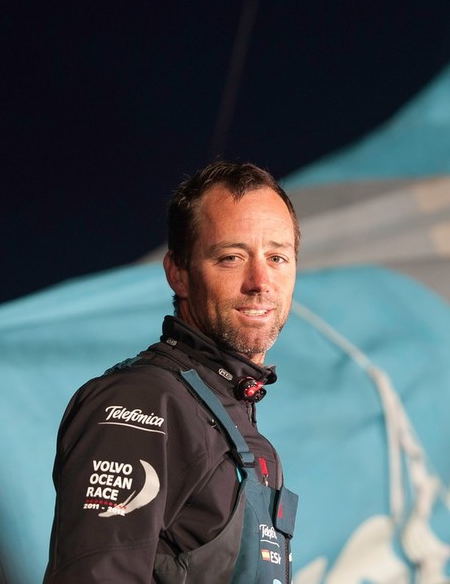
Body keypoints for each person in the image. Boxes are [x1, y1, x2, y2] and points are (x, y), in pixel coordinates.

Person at [43, 160, 300, 583]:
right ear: (178, 274)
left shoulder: (235, 420)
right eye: (231, 257)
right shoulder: (141, 402)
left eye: (277, 257)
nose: (260, 280)